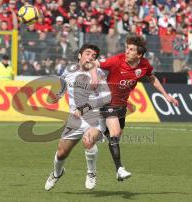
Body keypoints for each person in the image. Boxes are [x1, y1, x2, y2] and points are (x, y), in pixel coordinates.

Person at [89, 34, 179, 181]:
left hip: (122, 106)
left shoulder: (144, 65)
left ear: (139, 54)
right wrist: (93, 76)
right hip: (107, 102)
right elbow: (94, 63)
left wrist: (166, 95)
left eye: (131, 49)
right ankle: (119, 169)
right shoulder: (116, 60)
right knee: (115, 133)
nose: (127, 51)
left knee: (115, 136)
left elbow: (152, 78)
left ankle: (100, 133)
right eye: (127, 48)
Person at [45, 44, 111, 191]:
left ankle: (92, 173)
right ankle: (57, 173)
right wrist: (61, 93)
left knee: (88, 141)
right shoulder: (69, 70)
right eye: (87, 54)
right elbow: (63, 81)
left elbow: (106, 98)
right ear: (79, 56)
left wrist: (84, 108)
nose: (90, 57)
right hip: (75, 119)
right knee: (61, 153)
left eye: (94, 56)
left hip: (95, 116)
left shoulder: (98, 73)